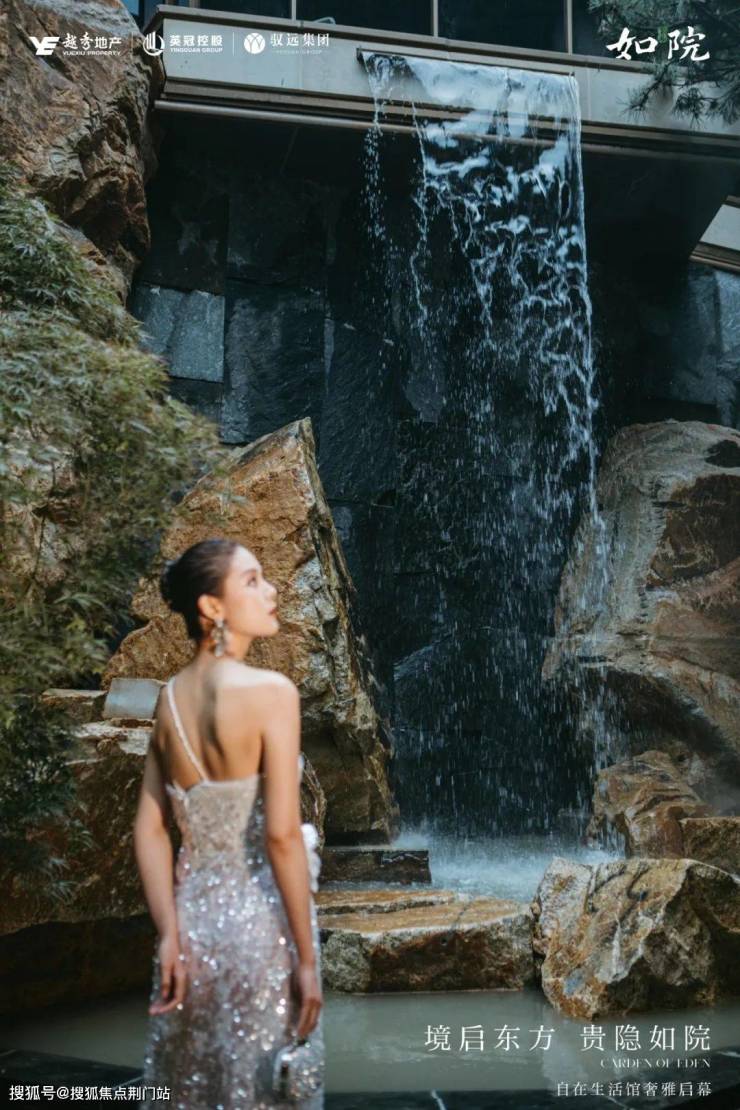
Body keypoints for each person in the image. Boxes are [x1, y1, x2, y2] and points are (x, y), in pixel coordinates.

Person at [133, 537, 324, 1108]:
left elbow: (149, 827)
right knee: (259, 1089)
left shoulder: (169, 700)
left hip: (192, 930)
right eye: (252, 580)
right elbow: (282, 837)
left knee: (195, 1086)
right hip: (259, 929)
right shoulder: (272, 693)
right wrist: (306, 960)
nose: (271, 591)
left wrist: (169, 935)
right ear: (212, 607)